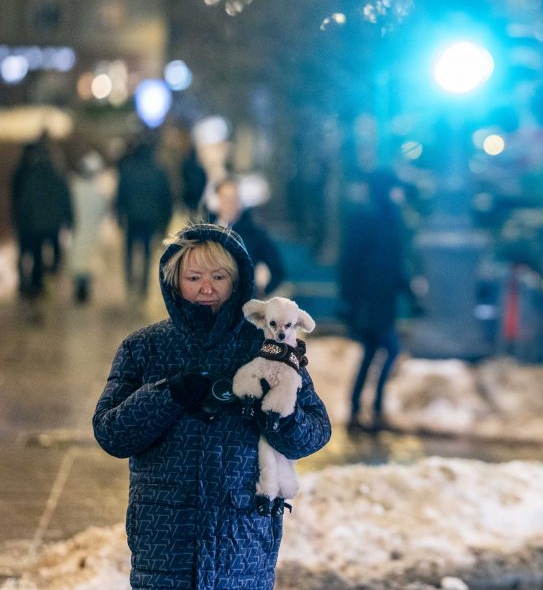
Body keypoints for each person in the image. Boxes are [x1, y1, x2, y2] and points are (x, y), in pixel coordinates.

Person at [92, 222, 331, 589]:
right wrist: (167, 395)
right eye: (194, 277)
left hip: (243, 543)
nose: (207, 288)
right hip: (164, 544)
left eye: (219, 277)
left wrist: (279, 417)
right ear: (174, 282)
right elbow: (112, 434)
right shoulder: (143, 347)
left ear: (237, 283)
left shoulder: (265, 346)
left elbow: (316, 432)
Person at [338, 169, 415, 433]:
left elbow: (395, 263)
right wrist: (349, 298)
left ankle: (359, 410)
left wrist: (409, 292)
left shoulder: (390, 218)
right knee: (388, 350)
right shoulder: (367, 218)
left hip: (383, 299)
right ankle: (372, 409)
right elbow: (350, 261)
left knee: (372, 353)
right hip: (369, 300)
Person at [10, 130, 72, 300]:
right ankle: (46, 279)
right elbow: (64, 197)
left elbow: (25, 202)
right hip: (52, 224)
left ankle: (33, 286)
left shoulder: (31, 174)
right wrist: (68, 218)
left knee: (33, 255)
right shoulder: (57, 174)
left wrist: (21, 220)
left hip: (34, 224)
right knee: (53, 252)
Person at [115, 133, 174, 300]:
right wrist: (165, 222)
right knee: (147, 253)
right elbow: (166, 198)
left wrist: (119, 215)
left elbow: (121, 194)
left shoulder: (128, 169)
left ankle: (130, 283)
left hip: (132, 218)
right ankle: (143, 288)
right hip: (151, 220)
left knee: (129, 252)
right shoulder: (159, 171)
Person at [210, 176, 286, 297]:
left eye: (234, 199)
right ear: (217, 201)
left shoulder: (255, 233)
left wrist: (262, 288)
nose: (229, 204)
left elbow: (277, 270)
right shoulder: (205, 231)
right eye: (225, 199)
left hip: (243, 301)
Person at [68, 149, 113, 304]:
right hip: (90, 231)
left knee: (79, 258)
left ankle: (80, 288)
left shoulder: (75, 189)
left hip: (79, 230)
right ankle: (84, 288)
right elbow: (103, 211)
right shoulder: (96, 192)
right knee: (87, 259)